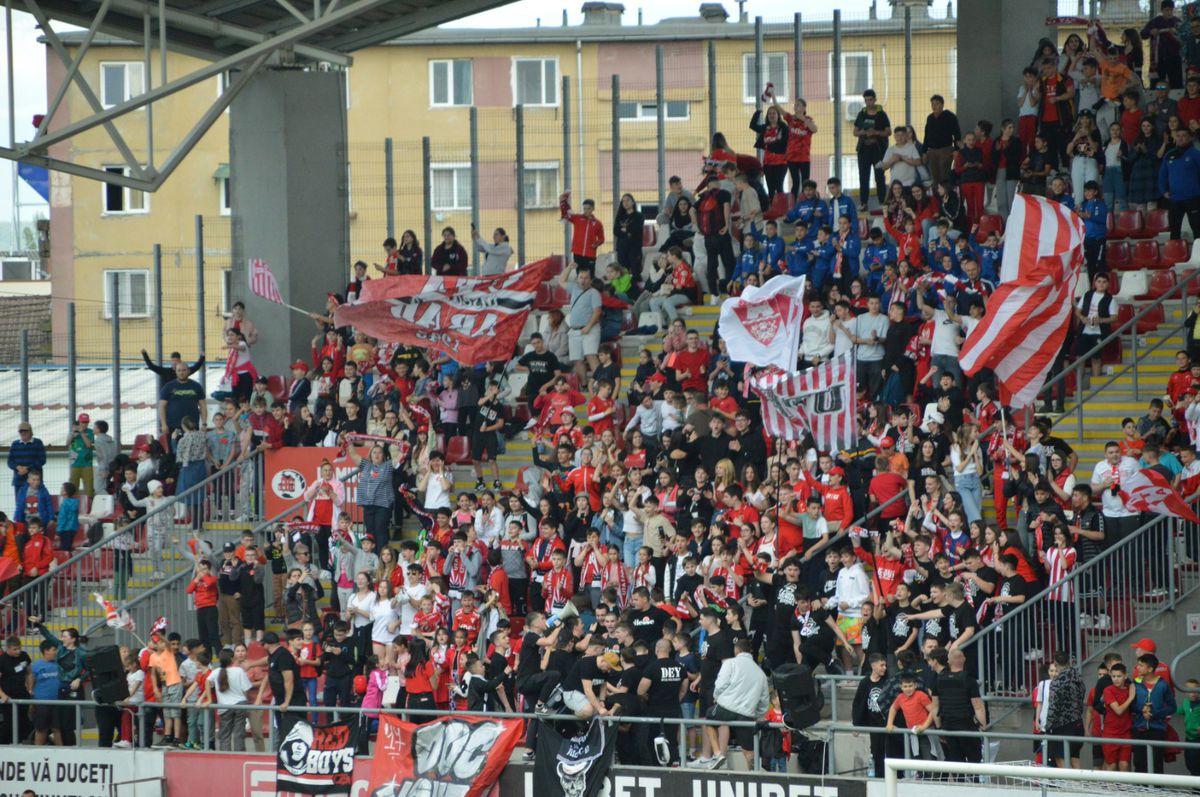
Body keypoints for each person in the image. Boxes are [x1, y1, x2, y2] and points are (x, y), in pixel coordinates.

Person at [256, 630, 307, 747]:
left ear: (267, 644)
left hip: (293, 700)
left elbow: (289, 680)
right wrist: (251, 664)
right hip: (280, 699)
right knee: (282, 729)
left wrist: (286, 702)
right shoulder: (273, 655)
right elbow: (268, 668)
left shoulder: (283, 655)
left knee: (295, 729)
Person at [558, 260, 603, 379]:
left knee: (591, 356)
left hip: (590, 329)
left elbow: (597, 311)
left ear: (590, 280)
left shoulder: (594, 293)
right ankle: (583, 384)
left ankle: (601, 383)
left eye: (586, 278)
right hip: (575, 330)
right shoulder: (574, 288)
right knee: (577, 359)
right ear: (577, 278)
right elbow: (561, 281)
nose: (583, 280)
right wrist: (569, 268)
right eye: (581, 277)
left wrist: (588, 326)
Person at [1158, 126, 1200, 240]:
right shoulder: (1169, 154)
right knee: (1174, 231)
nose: (1181, 138)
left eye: (1184, 136)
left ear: (1190, 138)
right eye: (1178, 136)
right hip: (1175, 199)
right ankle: (1174, 257)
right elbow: (1162, 175)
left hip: (1193, 199)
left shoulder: (1196, 154)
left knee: (1198, 231)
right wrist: (1163, 191)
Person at [853, 89, 892, 207]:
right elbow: (855, 132)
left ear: (875, 99)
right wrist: (864, 133)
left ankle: (881, 202)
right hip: (864, 150)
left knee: (879, 175)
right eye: (866, 100)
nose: (868, 103)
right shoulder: (862, 114)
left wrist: (876, 132)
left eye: (870, 100)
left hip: (878, 150)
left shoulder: (882, 114)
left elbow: (888, 131)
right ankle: (863, 203)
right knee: (863, 177)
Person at [159, 361, 208, 439]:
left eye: (184, 370)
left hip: (192, 426)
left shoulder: (196, 386)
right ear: (175, 372)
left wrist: (204, 424)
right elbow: (162, 407)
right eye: (179, 370)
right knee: (175, 450)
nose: (181, 373)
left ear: (188, 371)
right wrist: (163, 424)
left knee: (193, 450)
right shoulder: (168, 387)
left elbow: (202, 406)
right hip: (173, 426)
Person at [559, 192, 605, 271]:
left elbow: (601, 239)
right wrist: (563, 202)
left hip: (590, 254)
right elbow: (565, 215)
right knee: (579, 274)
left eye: (588, 208)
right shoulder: (577, 218)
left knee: (590, 274)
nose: (586, 211)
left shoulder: (597, 223)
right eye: (584, 208)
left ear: (593, 208)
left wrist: (595, 244)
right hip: (577, 253)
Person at [924, 95, 962, 186]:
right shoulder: (930, 118)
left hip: (946, 149)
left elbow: (957, 134)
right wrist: (924, 151)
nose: (934, 106)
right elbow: (927, 136)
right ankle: (937, 197)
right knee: (934, 177)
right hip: (932, 151)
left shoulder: (950, 116)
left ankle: (947, 196)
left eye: (937, 103)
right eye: (932, 104)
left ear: (942, 105)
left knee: (944, 175)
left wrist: (957, 150)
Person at [7, 422, 45, 491]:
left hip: (35, 482)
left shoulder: (38, 443)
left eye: (25, 431)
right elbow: (10, 461)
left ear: (30, 431)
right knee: (20, 501)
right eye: (21, 431)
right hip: (19, 481)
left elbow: (42, 460)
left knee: (36, 501)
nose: (23, 433)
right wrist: (17, 467)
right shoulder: (14, 444)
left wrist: (28, 468)